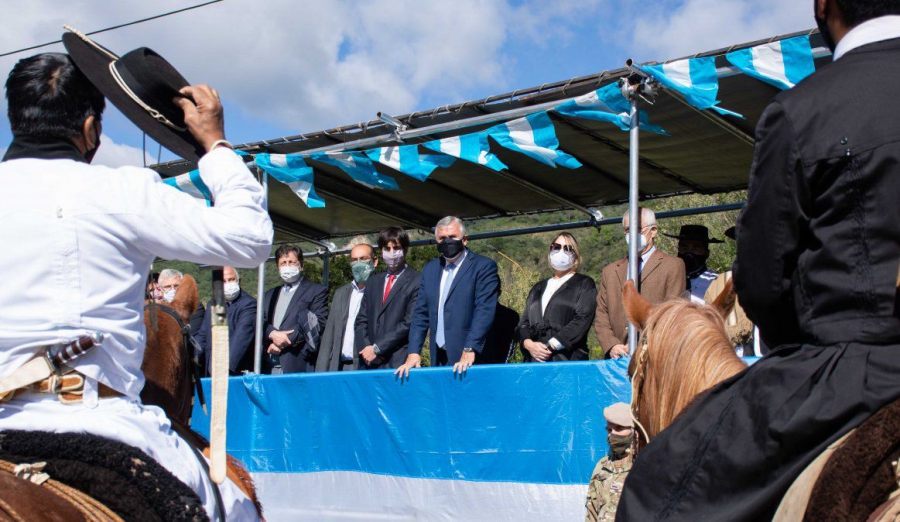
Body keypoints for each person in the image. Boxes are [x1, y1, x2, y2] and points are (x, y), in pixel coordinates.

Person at [617, 3, 900, 520]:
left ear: (824, 7)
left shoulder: (804, 109)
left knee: (655, 487)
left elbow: (764, 283)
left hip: (857, 368)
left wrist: (804, 343)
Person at [0, 47, 271, 520]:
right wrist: (216, 145)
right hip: (99, 421)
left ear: (15, 118)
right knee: (235, 504)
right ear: (90, 129)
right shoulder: (124, 190)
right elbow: (249, 239)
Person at [397, 216, 500, 376]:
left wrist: (470, 347)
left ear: (464, 239)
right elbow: (421, 314)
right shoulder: (430, 269)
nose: (447, 242)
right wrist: (414, 352)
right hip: (439, 357)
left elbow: (484, 310)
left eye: (452, 237)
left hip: (471, 358)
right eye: (442, 238)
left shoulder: (483, 267)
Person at [594, 208, 685, 359]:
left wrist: (643, 345)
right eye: (628, 230)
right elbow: (601, 315)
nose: (631, 234)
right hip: (616, 360)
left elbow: (672, 313)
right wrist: (612, 345)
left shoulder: (673, 265)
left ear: (653, 231)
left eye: (637, 229)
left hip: (654, 357)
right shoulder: (609, 271)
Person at [517, 233, 597, 362]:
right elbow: (523, 324)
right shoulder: (538, 288)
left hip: (567, 361)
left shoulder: (584, 284)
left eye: (568, 248)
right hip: (533, 362)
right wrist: (528, 344)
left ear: (576, 254)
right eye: (557, 247)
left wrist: (551, 345)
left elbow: (582, 320)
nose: (561, 252)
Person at [355, 227, 421, 370]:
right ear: (381, 251)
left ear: (405, 249)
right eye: (387, 248)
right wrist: (367, 349)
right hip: (368, 361)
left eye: (396, 248)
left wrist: (378, 348)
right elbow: (361, 319)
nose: (391, 253)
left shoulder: (417, 280)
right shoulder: (373, 281)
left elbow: (409, 322)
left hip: (397, 360)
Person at [262, 244, 328, 374]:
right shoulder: (269, 295)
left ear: (301, 265)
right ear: (277, 267)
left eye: (291, 262)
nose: (287, 266)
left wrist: (283, 341)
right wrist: (272, 334)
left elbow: (318, 321)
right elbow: (259, 321)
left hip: (297, 361)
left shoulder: (317, 291)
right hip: (269, 364)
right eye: (283, 263)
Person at [317, 243, 377, 372]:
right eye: (354, 260)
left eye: (363, 259)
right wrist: (321, 371)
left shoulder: (380, 291)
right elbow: (329, 335)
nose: (358, 264)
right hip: (339, 367)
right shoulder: (341, 293)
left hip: (367, 366)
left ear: (375, 261)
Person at [193, 266, 257, 375]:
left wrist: (224, 369)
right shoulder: (212, 304)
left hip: (233, 372)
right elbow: (203, 335)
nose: (227, 284)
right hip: (211, 370)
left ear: (238, 280)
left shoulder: (249, 304)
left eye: (231, 279)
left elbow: (241, 337)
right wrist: (191, 358)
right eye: (223, 281)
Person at [585, 402, 635, 522]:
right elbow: (592, 510)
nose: (612, 434)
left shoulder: (642, 467)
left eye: (619, 429)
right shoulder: (602, 466)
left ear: (634, 431)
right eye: (609, 429)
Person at [664, 224, 722, 304]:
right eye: (685, 248)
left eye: (696, 248)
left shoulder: (716, 282)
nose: (689, 253)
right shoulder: (667, 279)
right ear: (678, 250)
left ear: (707, 253)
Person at [157, 268, 205, 335]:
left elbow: (193, 333)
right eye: (167, 287)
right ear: (160, 289)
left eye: (176, 286)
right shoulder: (157, 308)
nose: (173, 290)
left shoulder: (193, 306)